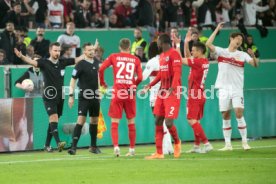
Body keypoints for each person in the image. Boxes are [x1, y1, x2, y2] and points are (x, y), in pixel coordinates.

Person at [14, 42, 84, 152]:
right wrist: (22, 56)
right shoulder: (44, 63)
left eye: (59, 50)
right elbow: (32, 61)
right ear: (50, 51)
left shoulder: (63, 62)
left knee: (54, 121)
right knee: (53, 118)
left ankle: (47, 145)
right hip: (48, 95)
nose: (57, 52)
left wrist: (89, 52)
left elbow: (77, 59)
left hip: (60, 95)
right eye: (55, 50)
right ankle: (58, 143)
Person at [206, 22, 259, 151]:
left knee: (239, 113)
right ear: (231, 39)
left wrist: (253, 56)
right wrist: (217, 29)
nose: (240, 41)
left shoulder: (243, 55)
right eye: (238, 39)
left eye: (241, 40)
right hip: (223, 88)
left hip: (237, 89)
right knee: (225, 115)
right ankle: (228, 145)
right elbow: (207, 44)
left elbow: (255, 65)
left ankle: (245, 142)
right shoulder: (221, 52)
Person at [99, 38, 143, 157]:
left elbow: (101, 68)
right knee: (131, 122)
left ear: (119, 47)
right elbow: (140, 77)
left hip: (118, 92)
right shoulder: (135, 59)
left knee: (115, 123)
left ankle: (116, 147)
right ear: (129, 47)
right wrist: (133, 85)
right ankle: (132, 149)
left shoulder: (114, 56)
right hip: (130, 93)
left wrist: (103, 83)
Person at [141, 33, 182, 159]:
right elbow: (160, 74)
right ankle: (159, 153)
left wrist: (173, 87)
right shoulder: (162, 56)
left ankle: (177, 142)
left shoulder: (174, 54)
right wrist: (150, 85)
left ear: (162, 43)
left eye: (158, 41)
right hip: (162, 92)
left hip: (172, 91)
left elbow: (177, 73)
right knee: (158, 120)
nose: (156, 44)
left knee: (169, 122)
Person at [173, 30, 213, 153]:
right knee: (196, 121)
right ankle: (196, 146)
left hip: (195, 95)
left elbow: (180, 59)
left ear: (200, 51)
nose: (192, 51)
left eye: (194, 50)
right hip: (200, 94)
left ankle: (207, 144)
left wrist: (177, 45)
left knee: (191, 120)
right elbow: (188, 57)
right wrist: (186, 43)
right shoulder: (204, 61)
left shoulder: (198, 62)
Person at [67, 43, 101, 155]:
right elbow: (72, 80)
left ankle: (93, 146)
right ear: (84, 52)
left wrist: (99, 92)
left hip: (95, 95)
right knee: (81, 120)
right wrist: (71, 96)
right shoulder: (80, 65)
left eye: (93, 49)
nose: (92, 51)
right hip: (84, 96)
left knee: (94, 120)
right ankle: (73, 147)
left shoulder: (96, 62)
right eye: (89, 50)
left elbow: (98, 78)